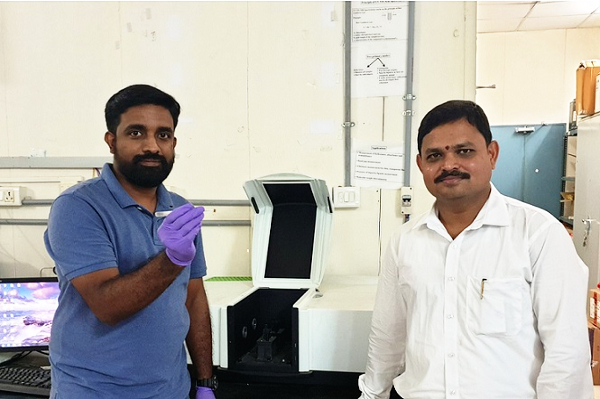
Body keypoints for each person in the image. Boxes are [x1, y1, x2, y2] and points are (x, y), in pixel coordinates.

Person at [358, 100, 593, 399]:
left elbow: (567, 353)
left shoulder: (539, 234)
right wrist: (372, 395)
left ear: (492, 154)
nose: (449, 164)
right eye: (435, 156)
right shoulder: (404, 242)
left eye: (464, 151)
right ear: (421, 165)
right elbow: (387, 337)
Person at [44, 84, 217, 399]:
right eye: (136, 133)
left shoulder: (180, 209)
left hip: (170, 390)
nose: (152, 146)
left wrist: (205, 381)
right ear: (112, 141)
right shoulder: (78, 207)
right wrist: (173, 258)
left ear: (174, 143)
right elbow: (107, 305)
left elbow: (193, 298)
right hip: (94, 392)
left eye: (163, 135)